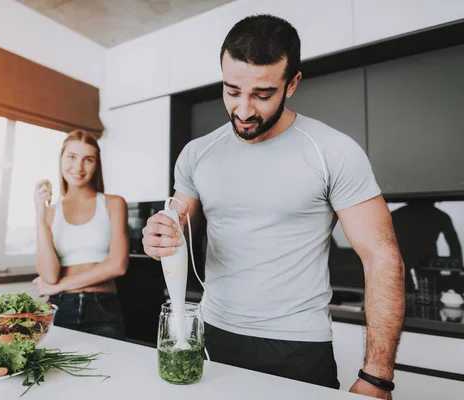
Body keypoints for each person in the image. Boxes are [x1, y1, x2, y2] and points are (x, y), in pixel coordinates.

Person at [142, 14, 404, 399]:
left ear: (292, 83)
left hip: (297, 345)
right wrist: (159, 237)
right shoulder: (197, 154)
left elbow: (382, 257)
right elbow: (177, 229)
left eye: (262, 95)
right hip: (212, 335)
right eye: (231, 90)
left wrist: (377, 375)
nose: (244, 110)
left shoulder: (333, 151)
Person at [32, 129, 129, 340]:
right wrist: (40, 216)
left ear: (96, 165)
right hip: (60, 307)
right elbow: (48, 275)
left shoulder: (114, 204)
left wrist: (60, 285)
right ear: (61, 159)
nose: (78, 167)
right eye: (72, 157)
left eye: (88, 159)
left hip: (103, 308)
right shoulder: (49, 212)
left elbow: (117, 265)